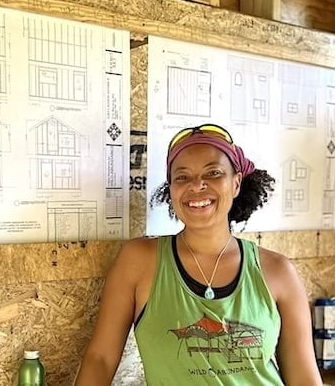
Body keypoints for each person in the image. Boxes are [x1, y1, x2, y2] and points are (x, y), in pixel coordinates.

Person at [75, 124, 322, 385]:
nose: (197, 185)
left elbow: (304, 378)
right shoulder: (139, 261)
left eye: (213, 173)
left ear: (236, 183)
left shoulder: (278, 271)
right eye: (182, 177)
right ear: (171, 189)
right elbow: (100, 359)